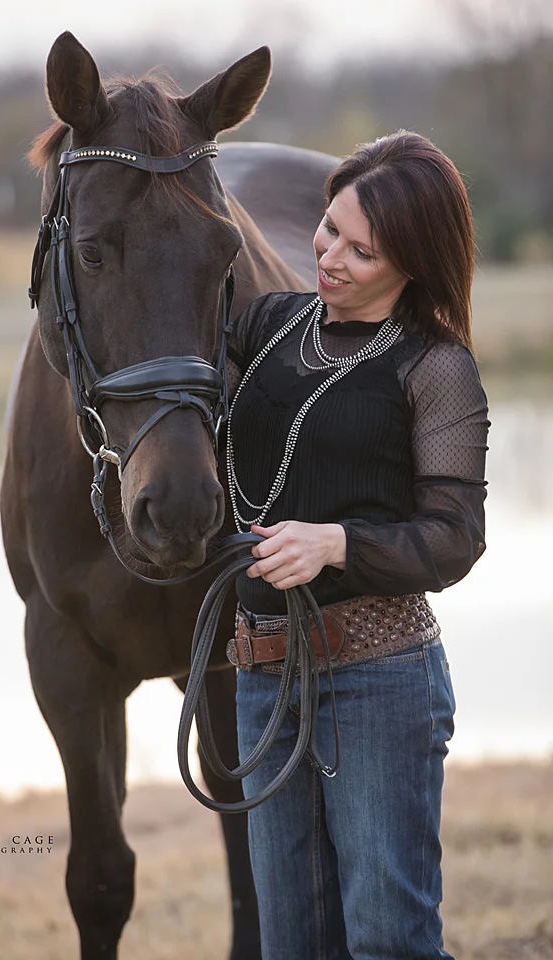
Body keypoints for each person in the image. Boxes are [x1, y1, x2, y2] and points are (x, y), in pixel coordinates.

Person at [225, 130, 489, 960]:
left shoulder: (434, 368)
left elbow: (455, 539)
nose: (329, 256)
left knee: (388, 941)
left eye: (361, 250)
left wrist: (335, 543)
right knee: (291, 946)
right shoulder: (267, 326)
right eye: (329, 229)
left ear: (411, 262)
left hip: (378, 683)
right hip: (263, 681)